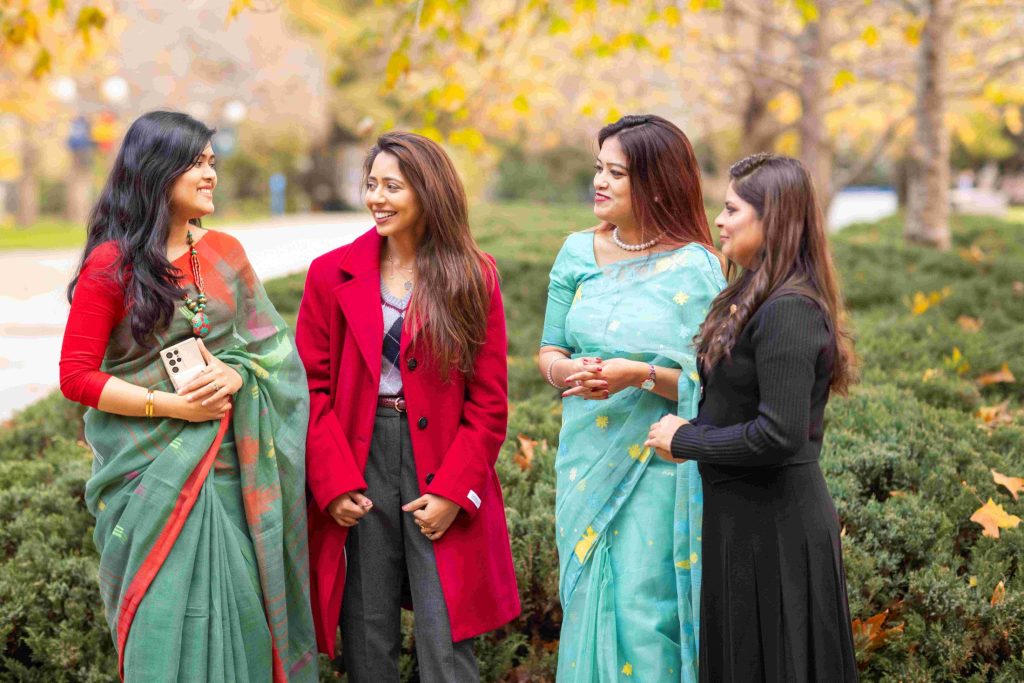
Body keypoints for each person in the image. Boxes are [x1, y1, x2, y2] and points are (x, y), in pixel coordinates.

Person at [59, 111, 317, 681]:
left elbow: (273, 354)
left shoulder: (225, 252)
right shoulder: (112, 264)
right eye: (196, 163)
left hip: (232, 476)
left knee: (244, 618)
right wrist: (172, 406)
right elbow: (76, 376)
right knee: (166, 623)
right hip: (151, 475)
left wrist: (235, 374)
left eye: (212, 162)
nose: (210, 176)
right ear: (157, 172)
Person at [295, 131, 520, 682]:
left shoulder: (472, 274)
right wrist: (332, 481)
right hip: (359, 460)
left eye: (392, 186)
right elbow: (311, 389)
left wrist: (453, 491)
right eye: (371, 185)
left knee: (447, 642)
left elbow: (489, 403)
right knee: (368, 636)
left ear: (428, 191)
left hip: (440, 463)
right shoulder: (331, 274)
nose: (377, 198)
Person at [646, 153, 860, 682]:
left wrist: (687, 439)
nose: (718, 220)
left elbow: (779, 435)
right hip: (739, 522)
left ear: (773, 219)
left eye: (731, 209)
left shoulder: (790, 309)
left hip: (778, 531)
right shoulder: (749, 294)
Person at [538, 114, 726, 682]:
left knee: (646, 613)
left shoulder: (698, 267)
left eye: (616, 173)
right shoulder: (576, 252)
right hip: (585, 460)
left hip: (657, 464)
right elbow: (548, 350)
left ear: (656, 182)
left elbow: (714, 380)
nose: (599, 182)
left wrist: (639, 375)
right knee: (589, 595)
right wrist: (566, 372)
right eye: (599, 169)